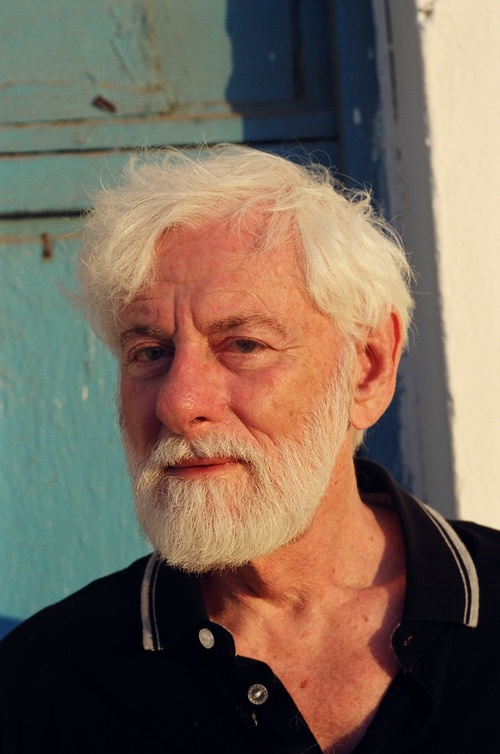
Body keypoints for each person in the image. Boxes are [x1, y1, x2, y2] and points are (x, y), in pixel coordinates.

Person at [0, 145, 499, 754]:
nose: (178, 403)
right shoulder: (43, 688)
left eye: (243, 344)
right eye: (149, 352)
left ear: (368, 369)